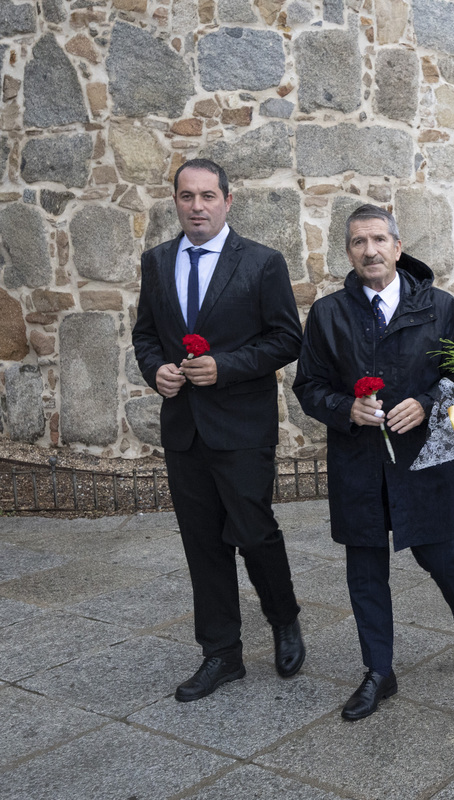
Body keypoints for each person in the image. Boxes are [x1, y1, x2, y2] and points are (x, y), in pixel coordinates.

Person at [293, 204, 454, 720]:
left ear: (398, 248)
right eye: (359, 242)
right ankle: (379, 670)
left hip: (423, 459)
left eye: (379, 239)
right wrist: (344, 408)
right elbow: (307, 387)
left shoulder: (439, 306)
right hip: (358, 461)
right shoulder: (329, 313)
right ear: (349, 252)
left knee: (439, 555)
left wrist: (425, 402)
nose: (370, 250)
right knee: (365, 570)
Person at [132, 158, 305, 702]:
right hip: (183, 429)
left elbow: (286, 339)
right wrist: (154, 369)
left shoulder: (261, 263)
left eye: (208, 196)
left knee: (253, 531)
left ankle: (283, 619)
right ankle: (221, 654)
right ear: (176, 202)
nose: (198, 206)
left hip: (242, 428)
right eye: (187, 197)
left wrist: (225, 366)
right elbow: (144, 335)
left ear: (228, 201)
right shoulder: (157, 262)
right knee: (202, 544)